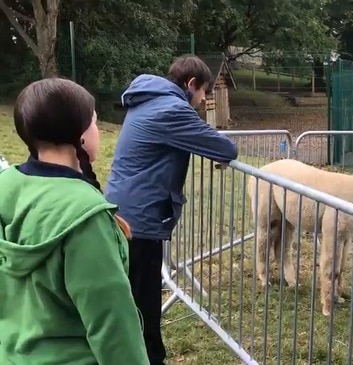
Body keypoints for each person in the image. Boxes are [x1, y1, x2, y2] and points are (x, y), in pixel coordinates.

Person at [0, 78, 149, 364]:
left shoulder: (5, 186)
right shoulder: (86, 218)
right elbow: (112, 325)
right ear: (80, 135)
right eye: (94, 122)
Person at [105, 54, 239, 364]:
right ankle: (149, 359)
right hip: (139, 220)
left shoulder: (147, 101)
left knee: (129, 294)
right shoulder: (172, 109)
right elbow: (225, 148)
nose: (203, 99)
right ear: (191, 84)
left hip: (123, 208)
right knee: (145, 300)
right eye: (204, 91)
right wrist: (215, 151)